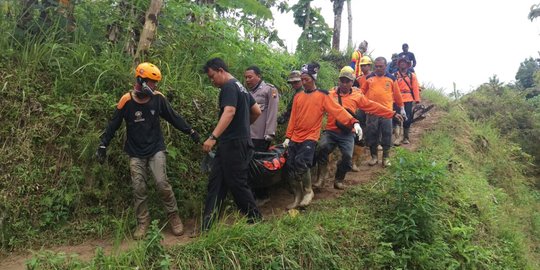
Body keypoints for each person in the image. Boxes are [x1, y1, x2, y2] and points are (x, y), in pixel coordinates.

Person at [96, 62, 200, 239]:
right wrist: (103, 144)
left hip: (155, 148)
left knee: (162, 183)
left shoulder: (158, 98)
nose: (155, 86)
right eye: (152, 82)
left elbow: (173, 117)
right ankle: (143, 223)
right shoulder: (126, 100)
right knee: (139, 187)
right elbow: (113, 124)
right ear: (141, 80)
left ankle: (174, 217)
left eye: (156, 83)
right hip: (135, 152)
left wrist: (190, 131)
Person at [283, 63, 361, 209]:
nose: (303, 82)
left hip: (310, 136)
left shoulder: (323, 96)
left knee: (302, 163)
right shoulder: (298, 97)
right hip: (295, 136)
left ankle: (308, 191)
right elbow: (293, 118)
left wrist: (353, 121)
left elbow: (338, 111)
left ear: (313, 79)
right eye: (302, 79)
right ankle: (297, 196)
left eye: (306, 79)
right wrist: (288, 136)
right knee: (291, 166)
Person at [200, 58, 262, 233]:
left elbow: (230, 111)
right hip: (232, 142)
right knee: (216, 182)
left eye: (212, 77)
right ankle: (208, 227)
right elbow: (256, 110)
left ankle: (256, 220)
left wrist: (213, 136)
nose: (212, 81)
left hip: (234, 144)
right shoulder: (240, 87)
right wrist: (242, 126)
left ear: (220, 70)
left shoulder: (228, 86)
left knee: (237, 183)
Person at [314, 66, 403, 189]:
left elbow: (372, 106)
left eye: (347, 81)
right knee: (322, 148)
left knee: (347, 157)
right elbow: (316, 107)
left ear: (352, 82)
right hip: (331, 131)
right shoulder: (330, 94)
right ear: (339, 81)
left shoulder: (357, 96)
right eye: (342, 81)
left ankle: (339, 179)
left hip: (347, 132)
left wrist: (392, 113)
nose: (344, 84)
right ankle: (321, 178)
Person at [361, 57, 405, 167]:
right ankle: (374, 157)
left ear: (385, 66)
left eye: (381, 66)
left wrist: (402, 108)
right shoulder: (369, 78)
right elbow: (361, 92)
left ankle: (385, 158)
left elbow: (397, 95)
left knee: (387, 135)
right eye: (376, 66)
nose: (378, 68)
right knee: (372, 134)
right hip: (372, 113)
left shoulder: (391, 79)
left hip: (387, 112)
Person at [244, 65, 279, 206]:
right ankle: (252, 195)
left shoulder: (269, 90)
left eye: (250, 77)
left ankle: (263, 195)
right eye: (246, 77)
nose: (247, 79)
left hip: (261, 136)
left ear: (258, 76)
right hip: (248, 135)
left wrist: (269, 133)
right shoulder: (247, 92)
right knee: (250, 166)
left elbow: (272, 111)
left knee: (259, 167)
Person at [393, 57, 420, 145]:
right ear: (399, 64)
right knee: (396, 118)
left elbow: (415, 88)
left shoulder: (411, 75)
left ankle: (405, 137)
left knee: (407, 118)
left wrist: (417, 100)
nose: (403, 64)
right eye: (401, 62)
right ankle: (397, 138)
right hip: (396, 99)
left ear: (408, 64)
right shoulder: (394, 75)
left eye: (405, 62)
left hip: (408, 98)